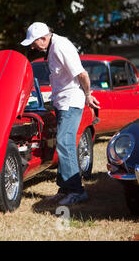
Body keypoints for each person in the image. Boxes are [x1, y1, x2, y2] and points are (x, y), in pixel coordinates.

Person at [21, 22, 100, 206]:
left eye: (34, 42)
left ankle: (77, 191)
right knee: (63, 144)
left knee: (65, 142)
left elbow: (82, 74)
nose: (33, 46)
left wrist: (88, 96)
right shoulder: (52, 47)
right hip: (62, 102)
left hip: (71, 102)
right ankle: (64, 189)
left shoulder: (61, 46)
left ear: (43, 38)